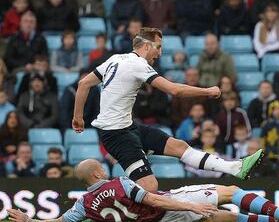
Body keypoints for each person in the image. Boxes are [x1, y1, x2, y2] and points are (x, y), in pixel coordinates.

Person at [72, 27, 264, 192]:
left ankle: (235, 168)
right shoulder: (137, 64)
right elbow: (174, 90)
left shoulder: (116, 58)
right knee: (149, 187)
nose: (160, 53)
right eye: (158, 47)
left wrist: (78, 117)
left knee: (180, 147)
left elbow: (84, 83)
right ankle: (105, 207)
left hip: (127, 127)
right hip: (116, 135)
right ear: (146, 46)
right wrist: (207, 91)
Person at [7, 159, 279, 222]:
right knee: (229, 191)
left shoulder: (84, 205)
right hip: (169, 208)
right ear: (98, 172)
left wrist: (28, 221)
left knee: (221, 219)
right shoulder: (119, 182)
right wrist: (189, 206)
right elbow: (153, 198)